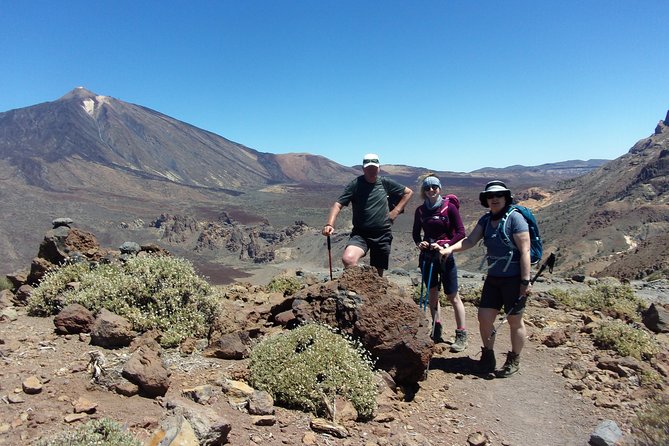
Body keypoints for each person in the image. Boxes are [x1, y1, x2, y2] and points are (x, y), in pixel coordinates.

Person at [439, 180, 531, 378]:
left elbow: (525, 250)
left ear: (506, 198)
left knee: (515, 321)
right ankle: (488, 356)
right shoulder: (486, 220)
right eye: (490, 196)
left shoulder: (516, 219)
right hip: (494, 278)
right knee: (484, 318)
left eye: (498, 195)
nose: (494, 199)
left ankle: (514, 359)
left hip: (514, 280)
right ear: (486, 200)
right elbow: (470, 241)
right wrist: (450, 248)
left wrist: (525, 281)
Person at [322, 153, 413, 276]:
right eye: (369, 168)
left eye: (374, 168)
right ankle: (353, 289)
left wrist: (395, 211)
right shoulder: (356, 184)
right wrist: (330, 224)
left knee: (377, 272)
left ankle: (371, 293)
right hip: (361, 234)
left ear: (379, 168)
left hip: (382, 233)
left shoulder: (385, 183)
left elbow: (408, 192)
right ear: (363, 168)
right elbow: (338, 204)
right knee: (348, 259)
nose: (372, 171)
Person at [412, 174, 468, 352]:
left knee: (453, 296)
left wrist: (445, 244)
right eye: (427, 188)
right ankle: (437, 328)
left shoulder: (449, 208)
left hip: (445, 256)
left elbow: (460, 233)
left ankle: (461, 334)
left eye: (434, 187)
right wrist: (420, 243)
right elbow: (415, 233)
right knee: (433, 294)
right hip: (427, 257)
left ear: (439, 188)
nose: (431, 190)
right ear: (424, 191)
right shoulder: (420, 211)